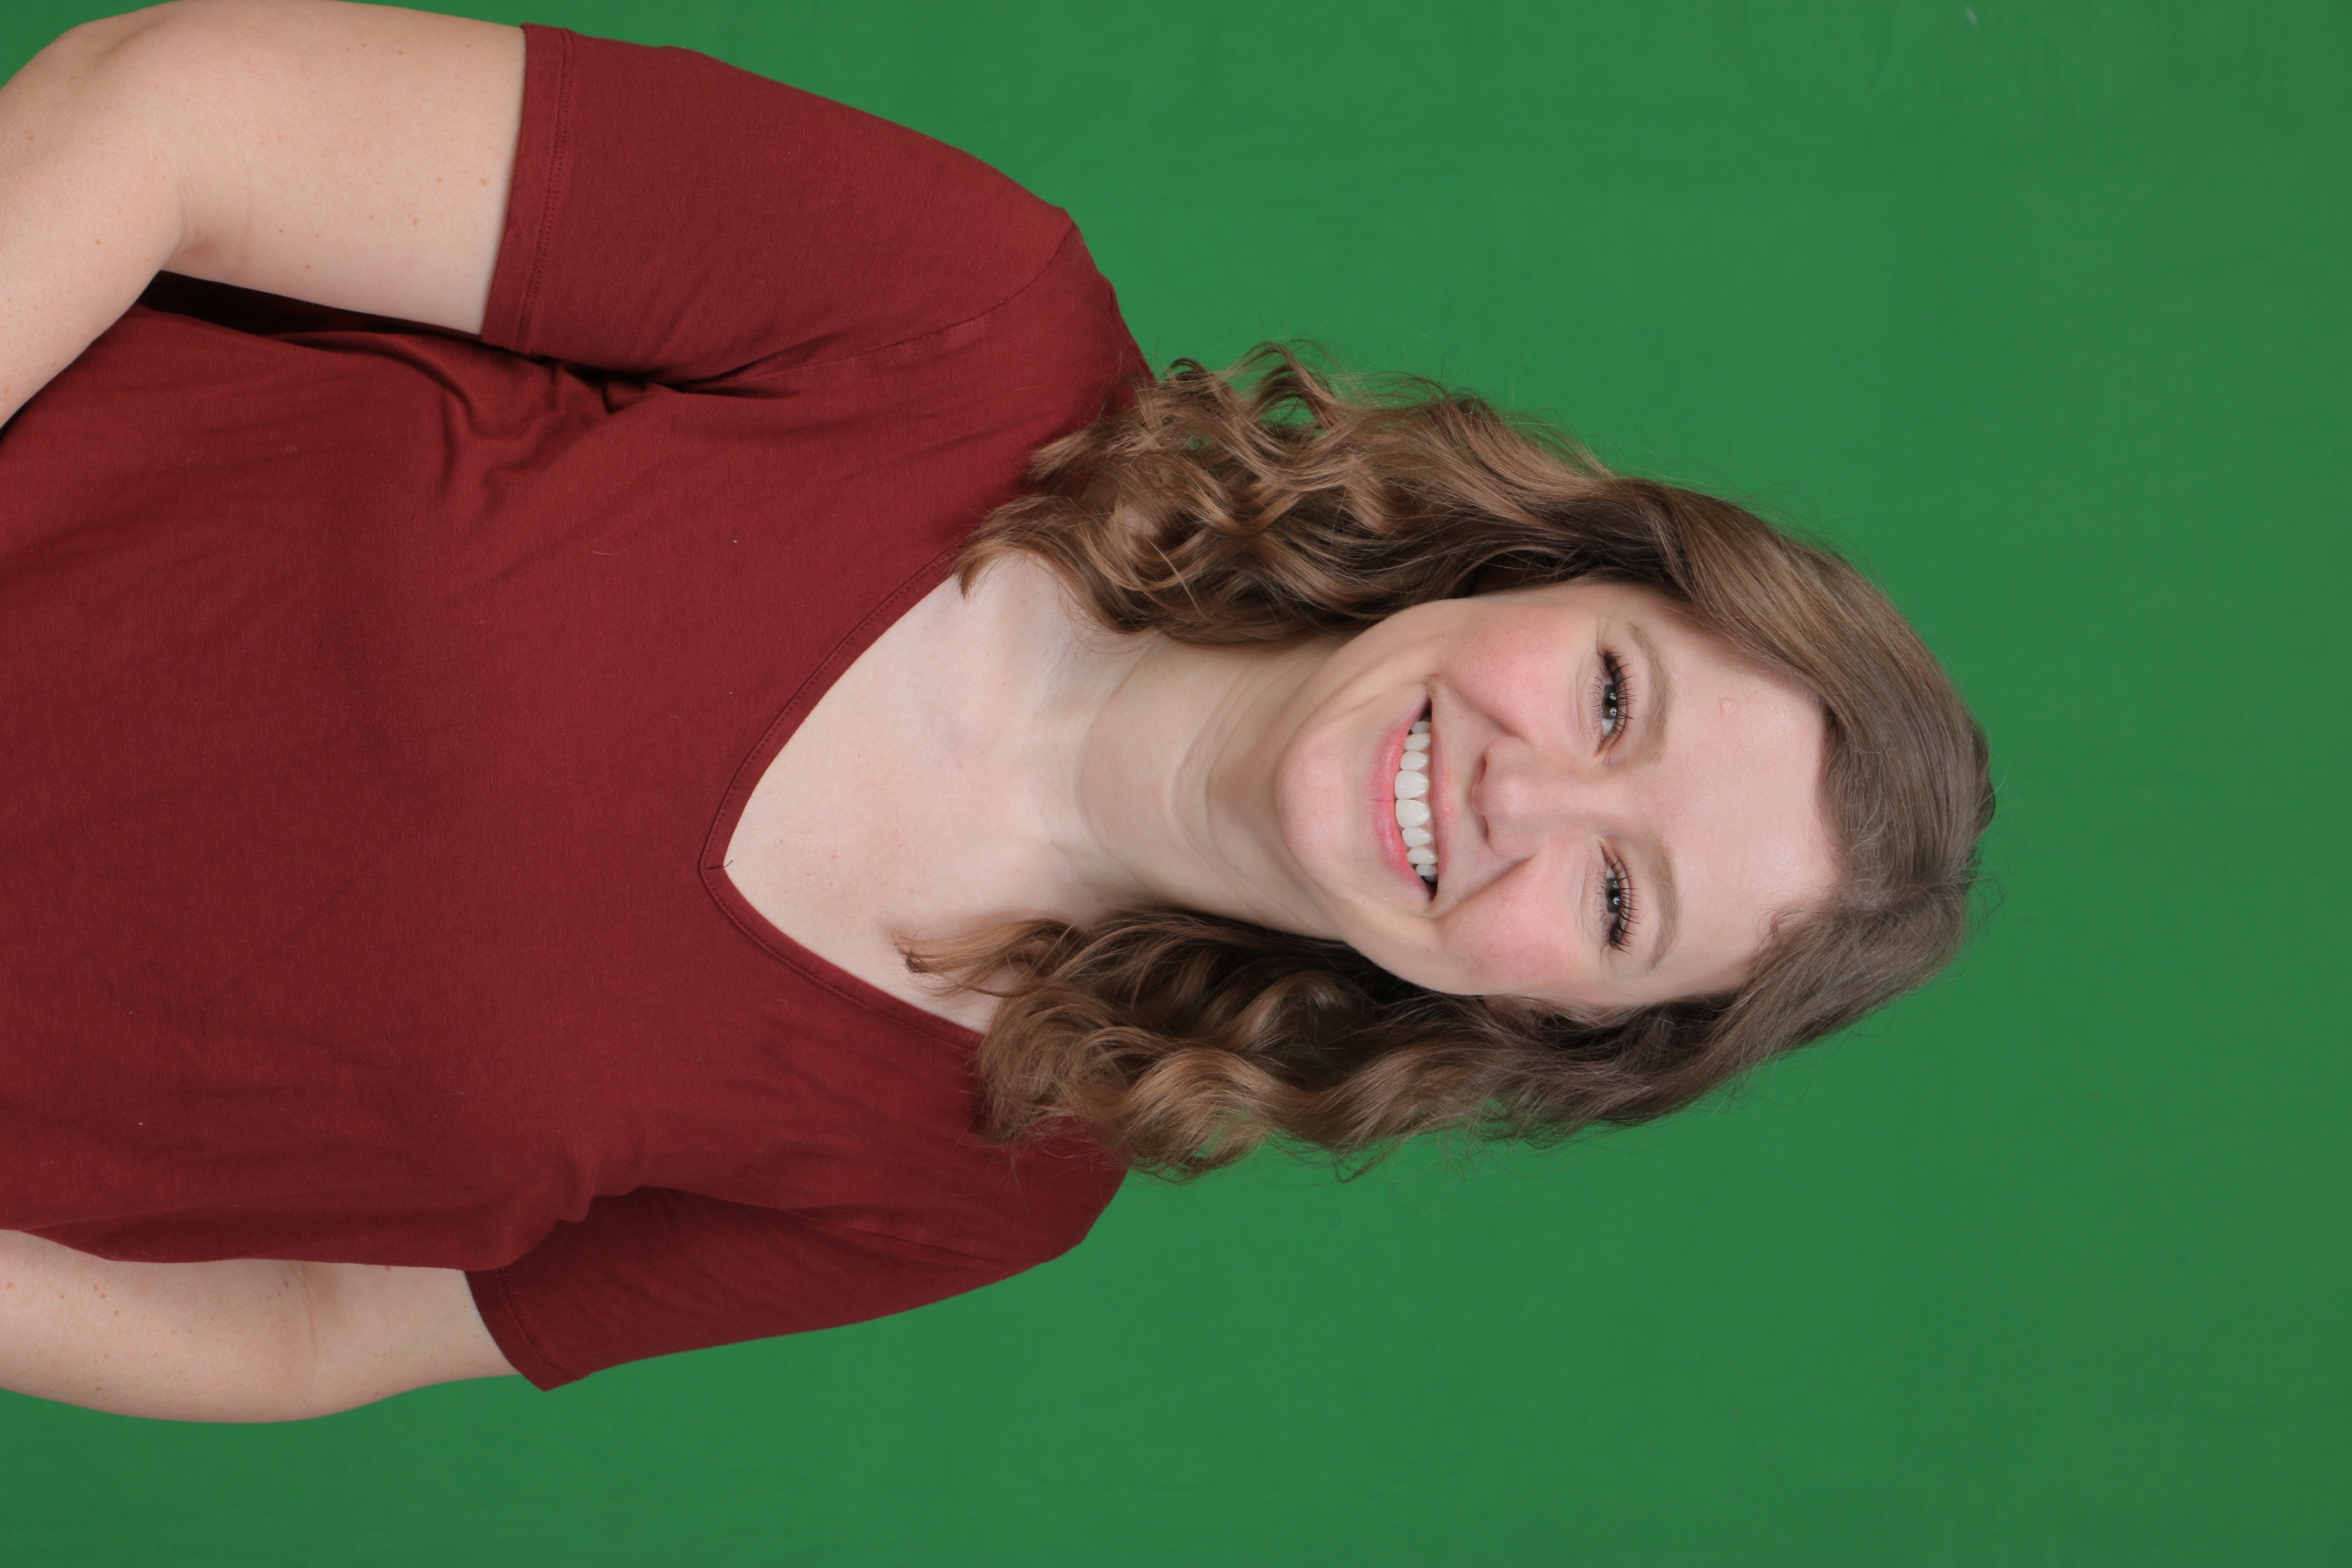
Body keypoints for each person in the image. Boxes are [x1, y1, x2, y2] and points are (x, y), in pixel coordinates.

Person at [0, 0, 1990, 1422]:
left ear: (1553, 1027)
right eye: (1616, 697)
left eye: (1621, 900)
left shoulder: (974, 1188)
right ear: (1550, 570)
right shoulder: (962, 318)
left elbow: (306, 1330)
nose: (1525, 797)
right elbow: (181, 119)